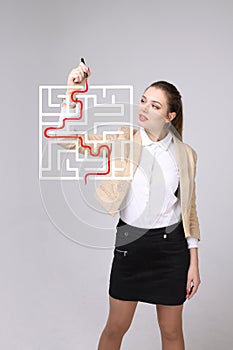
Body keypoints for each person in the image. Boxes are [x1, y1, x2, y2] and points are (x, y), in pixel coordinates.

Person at [58, 62, 201, 350]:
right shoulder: (123, 139)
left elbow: (189, 210)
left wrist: (194, 263)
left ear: (170, 115)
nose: (144, 109)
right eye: (143, 101)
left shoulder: (186, 154)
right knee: (115, 327)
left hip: (171, 250)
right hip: (130, 244)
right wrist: (71, 92)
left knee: (172, 332)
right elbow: (65, 141)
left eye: (155, 106)